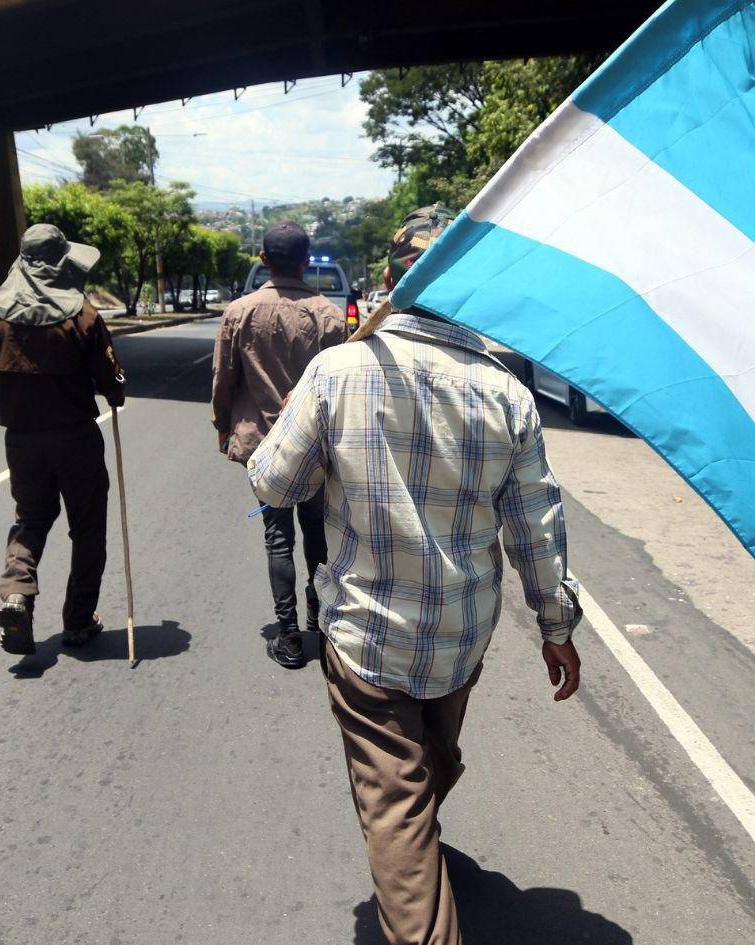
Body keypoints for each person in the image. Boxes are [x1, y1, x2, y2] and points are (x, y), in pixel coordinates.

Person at [248, 206, 582, 944]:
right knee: (430, 759)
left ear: (393, 282)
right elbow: (536, 528)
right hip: (461, 638)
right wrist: (556, 628)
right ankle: (417, 841)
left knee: (396, 800)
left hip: (367, 638)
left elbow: (272, 482)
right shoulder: (507, 392)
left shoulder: (337, 373)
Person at [0, 223, 125, 656]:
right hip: (76, 440)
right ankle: (78, 621)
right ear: (60, 262)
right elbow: (110, 383)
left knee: (32, 521)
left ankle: (18, 592)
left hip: (22, 442)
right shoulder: (82, 315)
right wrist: (116, 387)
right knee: (88, 529)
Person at [211, 221, 346, 669]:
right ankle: (321, 622)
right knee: (318, 537)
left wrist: (222, 425)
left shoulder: (241, 311)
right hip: (314, 448)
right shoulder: (327, 314)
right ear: (306, 260)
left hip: (261, 447)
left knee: (277, 539)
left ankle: (288, 635)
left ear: (264, 259)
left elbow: (224, 380)